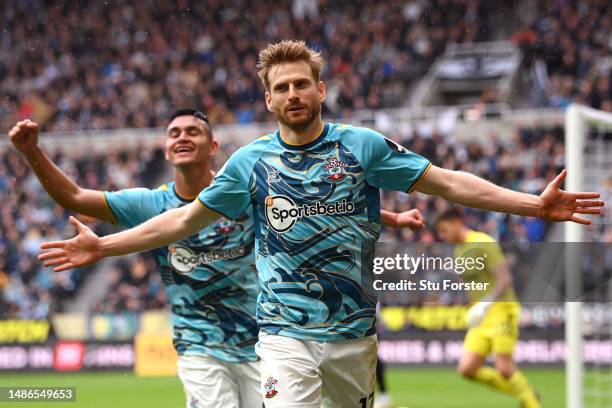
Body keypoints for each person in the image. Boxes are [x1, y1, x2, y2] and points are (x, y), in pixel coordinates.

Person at [38, 40, 603, 407]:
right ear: (268, 100)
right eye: (281, 88)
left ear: (320, 89)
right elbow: (181, 221)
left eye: (301, 84)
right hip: (283, 337)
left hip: (354, 337)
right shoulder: (248, 164)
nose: (293, 94)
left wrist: (533, 205)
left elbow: (449, 182)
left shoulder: (362, 147)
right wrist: (105, 247)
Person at [10, 109, 423, 408]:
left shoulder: (239, 190)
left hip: (261, 342)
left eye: (193, 130)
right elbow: (73, 198)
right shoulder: (150, 204)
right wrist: (32, 153)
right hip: (199, 344)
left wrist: (392, 217)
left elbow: (309, 206)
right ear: (167, 149)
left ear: (213, 146)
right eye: (174, 132)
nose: (182, 136)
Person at [436, 208, 540, 408]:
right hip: (481, 316)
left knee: (505, 368)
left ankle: (532, 403)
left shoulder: (482, 242)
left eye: (444, 230)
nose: (442, 236)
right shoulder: (459, 251)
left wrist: (486, 302)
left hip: (502, 309)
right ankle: (526, 392)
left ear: (456, 222)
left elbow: (505, 278)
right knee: (467, 369)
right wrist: (472, 307)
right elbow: (472, 286)